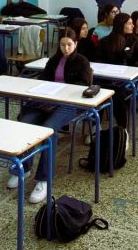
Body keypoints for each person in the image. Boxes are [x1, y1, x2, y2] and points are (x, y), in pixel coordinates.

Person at [10, 29, 92, 204]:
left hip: (69, 104)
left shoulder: (82, 62)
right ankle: (24, 167)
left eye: (69, 44)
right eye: (62, 45)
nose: (65, 48)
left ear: (75, 44)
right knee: (25, 121)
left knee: (49, 128)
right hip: (47, 100)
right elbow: (43, 78)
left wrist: (61, 91)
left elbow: (83, 85)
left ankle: (43, 179)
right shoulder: (53, 60)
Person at [96, 13, 138, 127]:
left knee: (117, 95)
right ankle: (96, 128)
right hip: (106, 79)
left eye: (132, 23)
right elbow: (98, 61)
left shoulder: (135, 42)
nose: (133, 25)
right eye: (129, 23)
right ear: (120, 25)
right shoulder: (105, 41)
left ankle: (122, 129)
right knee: (98, 93)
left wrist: (129, 73)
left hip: (127, 81)